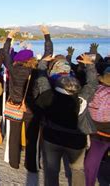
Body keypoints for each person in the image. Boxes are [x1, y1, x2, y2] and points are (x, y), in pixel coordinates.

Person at [35, 54, 97, 186]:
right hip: (76, 140)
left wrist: (42, 64)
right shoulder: (82, 99)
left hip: (52, 138)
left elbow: (42, 80)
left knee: (51, 171)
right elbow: (92, 84)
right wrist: (90, 65)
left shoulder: (49, 96)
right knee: (78, 169)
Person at [4, 26, 52, 171]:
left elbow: (5, 53)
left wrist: (9, 36)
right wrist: (46, 34)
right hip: (32, 109)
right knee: (32, 138)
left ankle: (14, 162)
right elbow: (48, 54)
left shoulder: (13, 69)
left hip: (14, 107)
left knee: (14, 136)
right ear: (31, 59)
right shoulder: (37, 70)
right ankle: (31, 165)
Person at [84, 68, 110, 186]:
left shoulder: (96, 90)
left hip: (99, 132)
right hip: (103, 132)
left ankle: (90, 183)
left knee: (91, 163)